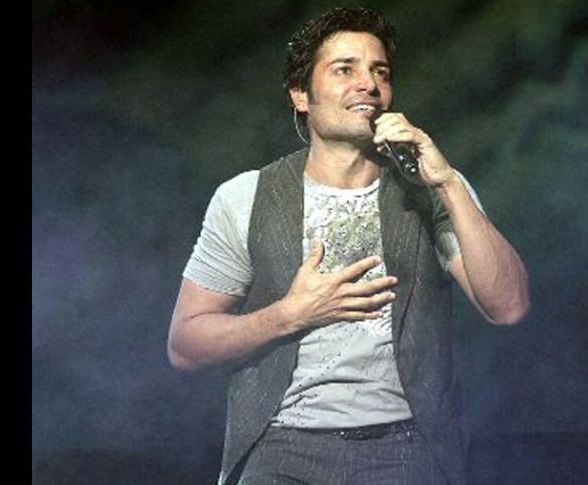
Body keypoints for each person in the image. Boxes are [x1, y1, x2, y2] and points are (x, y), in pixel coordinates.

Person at [167, 6, 530, 485]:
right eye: (345, 69)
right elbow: (186, 344)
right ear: (301, 94)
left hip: (406, 449)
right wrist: (290, 314)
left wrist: (447, 183)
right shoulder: (244, 197)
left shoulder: (435, 189)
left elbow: (508, 307)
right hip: (281, 450)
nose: (368, 84)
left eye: (380, 72)